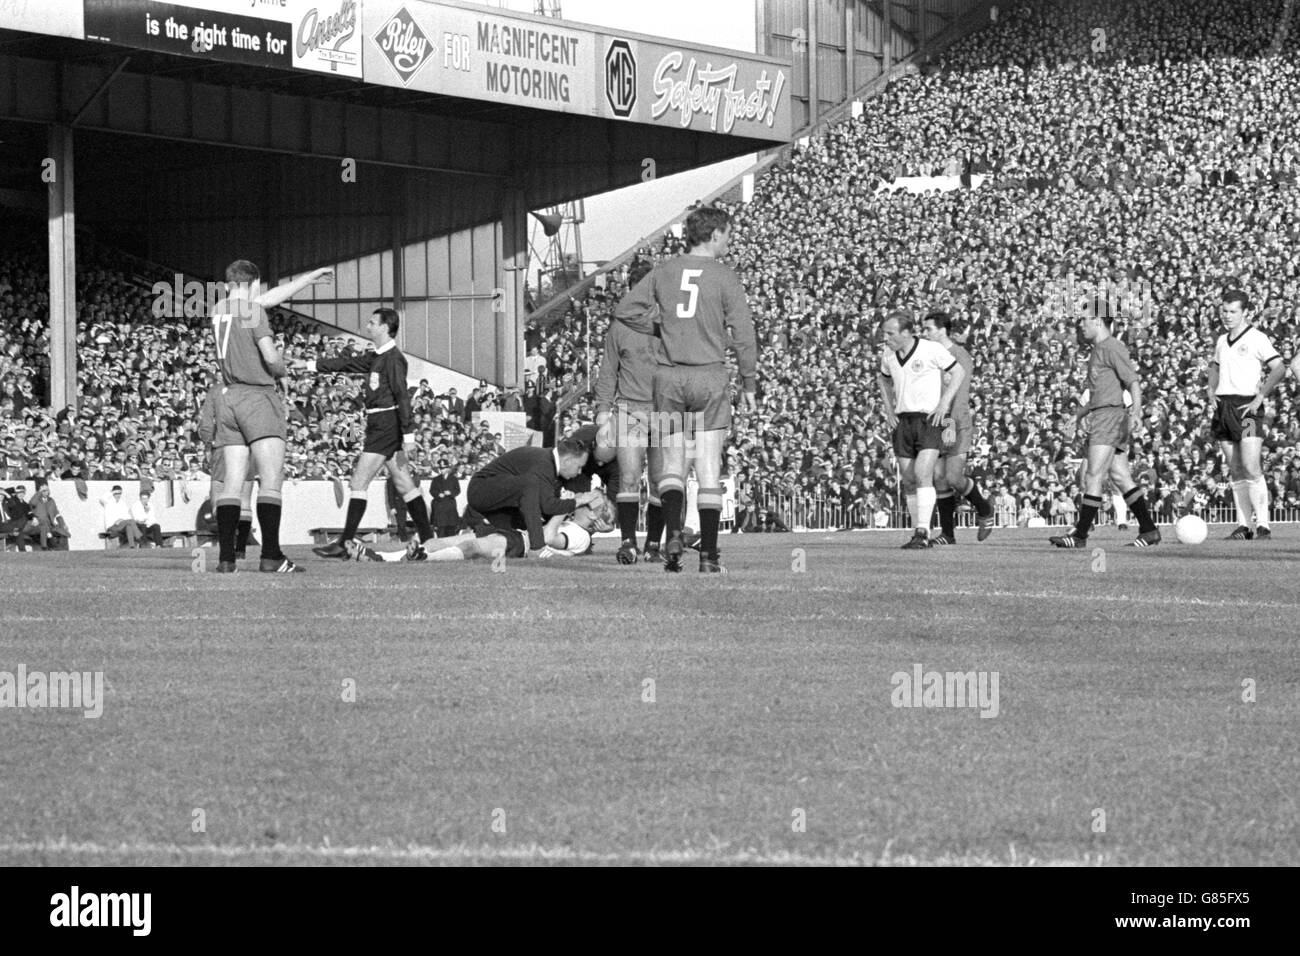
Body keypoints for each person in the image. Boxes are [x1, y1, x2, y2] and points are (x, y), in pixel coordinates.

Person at [613, 206, 758, 572]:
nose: (729, 240)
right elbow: (744, 335)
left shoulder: (664, 271)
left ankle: (674, 532)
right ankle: (708, 556)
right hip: (709, 375)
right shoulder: (725, 277)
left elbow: (626, 310)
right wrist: (749, 381)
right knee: (708, 467)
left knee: (672, 466)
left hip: (669, 377)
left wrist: (661, 328)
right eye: (727, 234)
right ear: (714, 235)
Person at [209, 259, 332, 572]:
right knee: (271, 480)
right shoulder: (253, 311)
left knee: (233, 482)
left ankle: (225, 559)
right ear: (253, 285)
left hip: (228, 398)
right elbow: (271, 356)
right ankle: (271, 556)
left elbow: (268, 299)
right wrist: (283, 370)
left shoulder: (220, 309)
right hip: (257, 397)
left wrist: (307, 278)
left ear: (228, 284)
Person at [295, 309, 435, 558]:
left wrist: (409, 434)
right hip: (381, 423)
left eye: (372, 323)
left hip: (385, 424)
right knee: (405, 484)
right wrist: (310, 364)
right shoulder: (377, 357)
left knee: (359, 482)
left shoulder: (393, 359)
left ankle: (345, 541)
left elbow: (402, 396)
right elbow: (346, 364)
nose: (368, 326)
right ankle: (429, 540)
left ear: (385, 327)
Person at [1051, 313, 1160, 548]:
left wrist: (1137, 413)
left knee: (1092, 474)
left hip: (1109, 417)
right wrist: (1076, 417)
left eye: (1084, 321)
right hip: (1104, 415)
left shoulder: (1112, 347)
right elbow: (1096, 395)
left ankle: (1079, 535)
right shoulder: (1098, 349)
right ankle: (1149, 529)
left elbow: (1133, 382)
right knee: (1120, 476)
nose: (1081, 325)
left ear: (1098, 321)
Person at [876, 309, 966, 549]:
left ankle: (922, 531)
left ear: (907, 333)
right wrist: (888, 408)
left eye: (890, 333)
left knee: (923, 474)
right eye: (884, 333)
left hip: (929, 420)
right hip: (903, 421)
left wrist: (944, 403)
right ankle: (918, 533)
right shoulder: (889, 355)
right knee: (908, 480)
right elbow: (883, 379)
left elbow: (958, 372)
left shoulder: (930, 349)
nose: (886, 337)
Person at [1211, 289, 1286, 540]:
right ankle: (1244, 526)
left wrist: (1261, 396)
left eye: (1233, 311)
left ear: (1245, 312)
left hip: (1247, 407)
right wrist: (1211, 391)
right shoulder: (1222, 340)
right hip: (1224, 407)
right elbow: (1215, 366)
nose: (1227, 316)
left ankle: (1263, 524)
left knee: (1251, 466)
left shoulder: (1257, 338)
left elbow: (1279, 368)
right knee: (1235, 469)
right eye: (1224, 311)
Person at [354, 492, 616, 562]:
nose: (581, 499)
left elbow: (547, 538)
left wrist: (563, 507)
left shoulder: (580, 536)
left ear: (593, 515)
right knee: (449, 540)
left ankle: (421, 558)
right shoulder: (575, 524)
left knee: (471, 546)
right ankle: (384, 557)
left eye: (587, 501)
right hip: (515, 534)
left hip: (520, 545)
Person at [457, 435, 603, 560]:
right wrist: (579, 501)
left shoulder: (548, 463)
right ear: (567, 461)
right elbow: (548, 506)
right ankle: (537, 547)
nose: (579, 472)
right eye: (579, 467)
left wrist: (599, 528)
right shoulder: (543, 465)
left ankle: (450, 545)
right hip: (481, 491)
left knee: (508, 538)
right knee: (530, 485)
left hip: (498, 500)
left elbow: (545, 509)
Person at [920, 311, 995, 543]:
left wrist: (948, 422)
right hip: (936, 423)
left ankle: (984, 509)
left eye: (928, 329)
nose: (925, 333)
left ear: (942, 330)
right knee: (939, 477)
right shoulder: (930, 355)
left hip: (955, 422)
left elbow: (958, 392)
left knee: (953, 477)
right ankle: (948, 535)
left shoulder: (960, 355)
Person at [30, 483, 71, 550]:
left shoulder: (51, 500)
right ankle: (53, 548)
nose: (46, 492)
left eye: (47, 490)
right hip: (40, 525)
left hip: (51, 525)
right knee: (49, 535)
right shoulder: (36, 500)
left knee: (63, 533)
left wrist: (63, 524)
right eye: (44, 491)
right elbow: (32, 503)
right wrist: (39, 491)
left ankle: (65, 554)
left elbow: (57, 513)